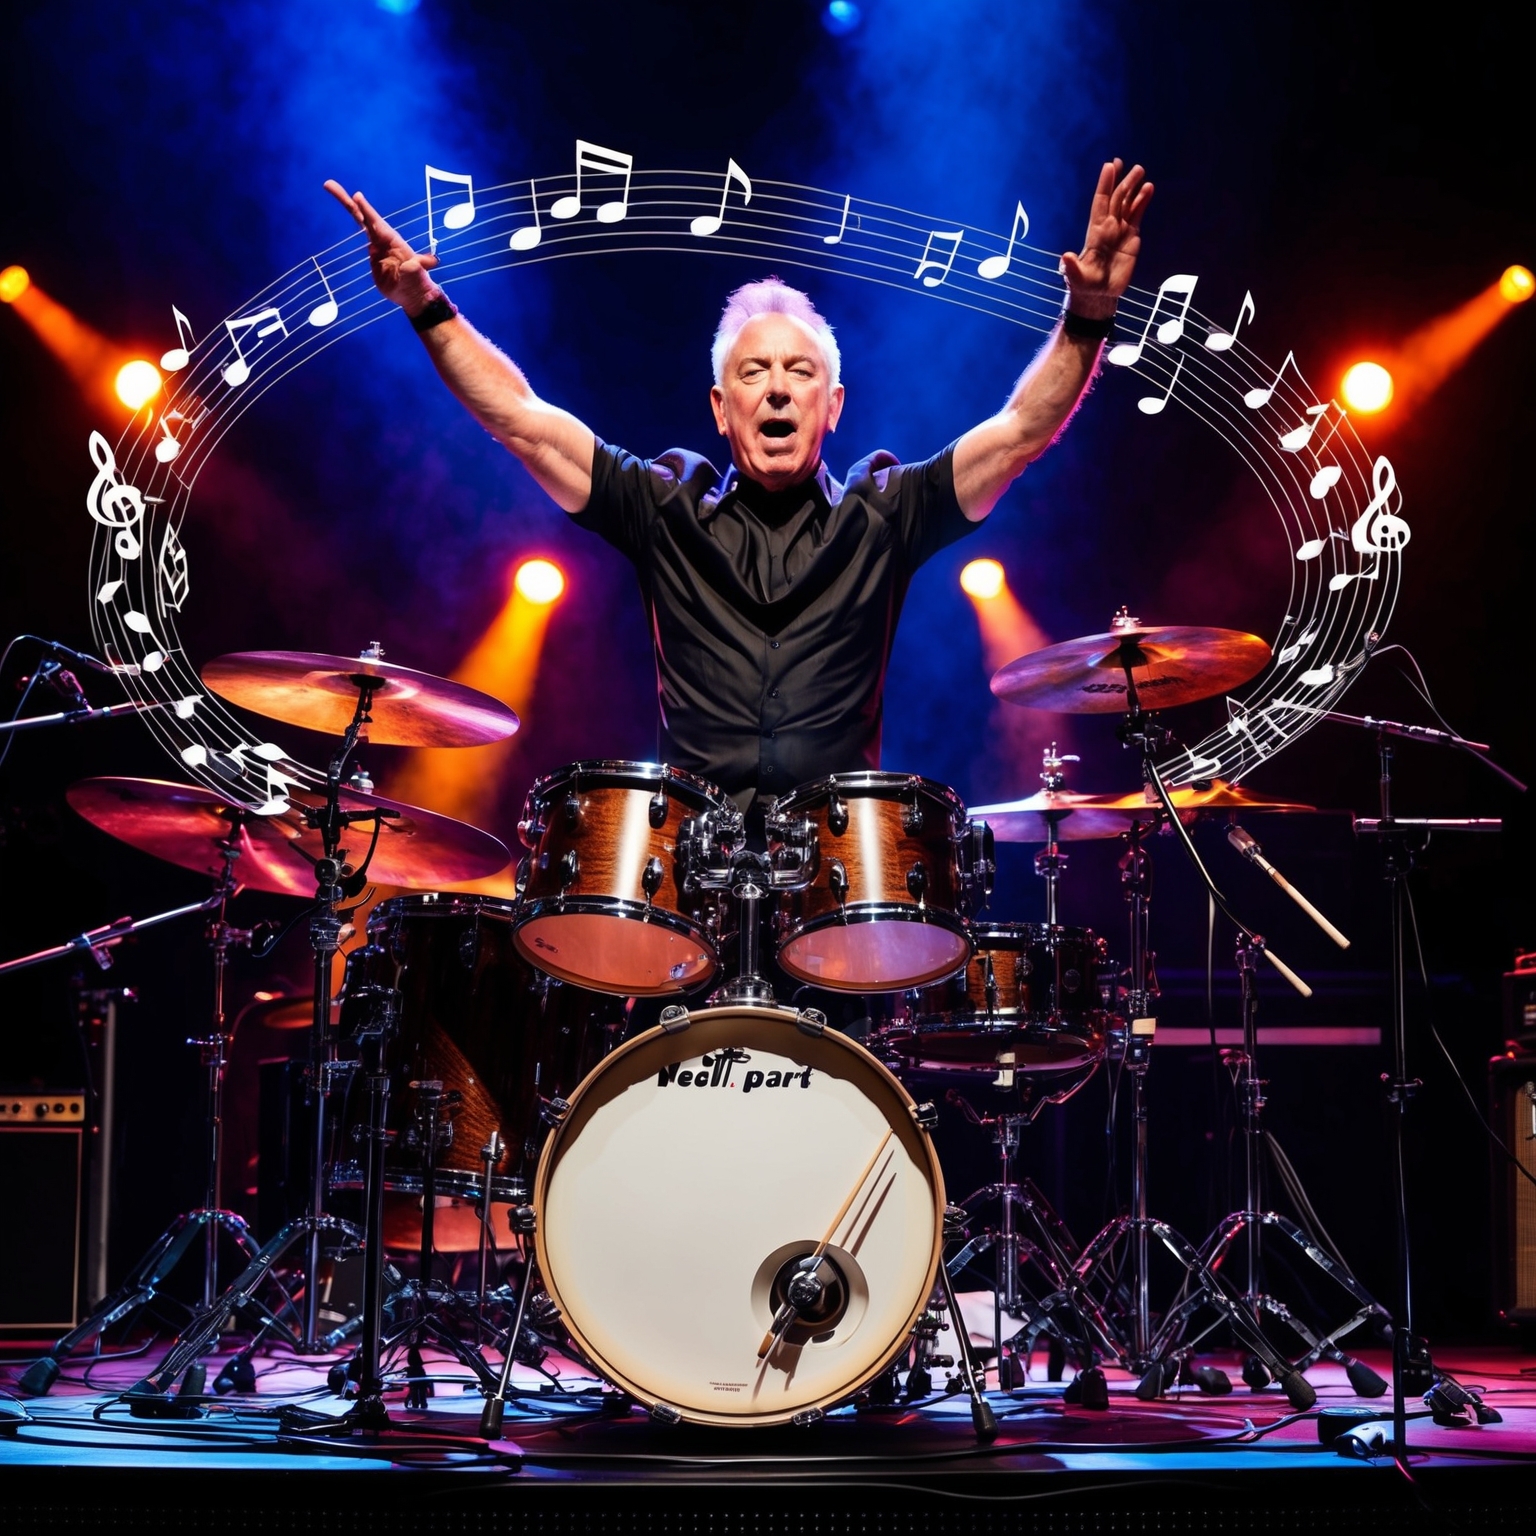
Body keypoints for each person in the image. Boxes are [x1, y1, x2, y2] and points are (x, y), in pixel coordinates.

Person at [324, 162, 1152, 818]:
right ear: (722, 409)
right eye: (754, 373)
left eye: (801, 373)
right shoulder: (664, 508)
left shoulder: (887, 512)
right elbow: (523, 418)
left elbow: (1016, 435)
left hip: (838, 880)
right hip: (688, 872)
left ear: (833, 405)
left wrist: (1086, 318)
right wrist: (425, 305)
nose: (779, 390)